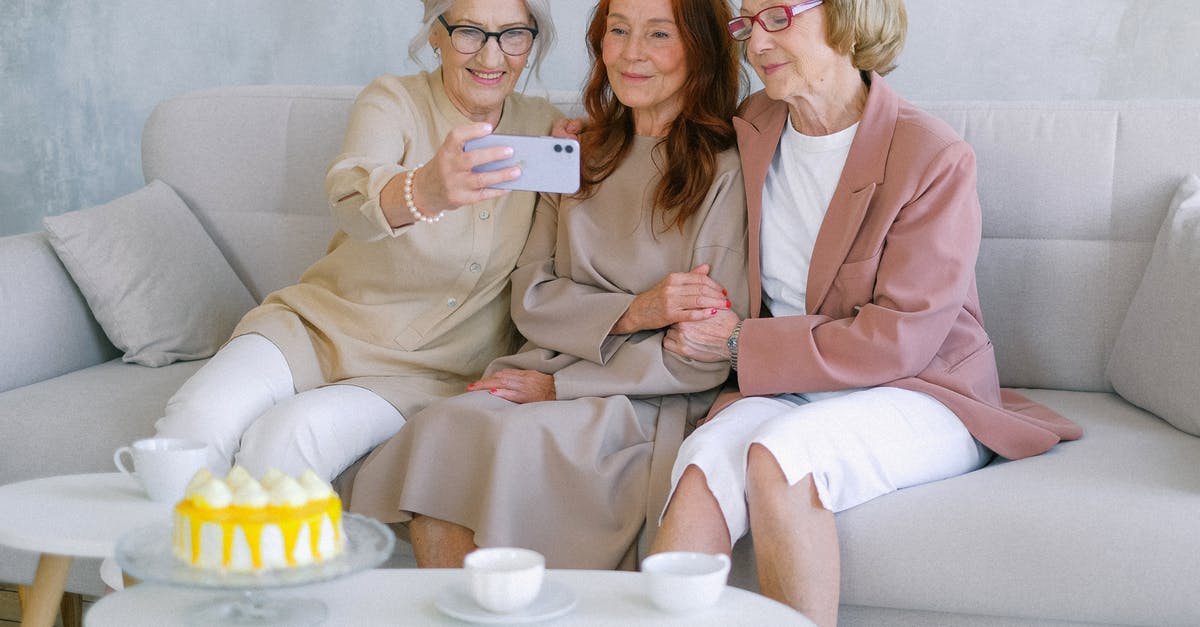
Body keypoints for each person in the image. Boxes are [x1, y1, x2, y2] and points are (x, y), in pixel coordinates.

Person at [649, 1, 1084, 624]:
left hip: (921, 386)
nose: (755, 43)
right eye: (747, 23)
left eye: (778, 16)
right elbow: (662, 140)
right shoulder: (757, 121)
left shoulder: (931, 155)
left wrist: (742, 343)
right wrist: (584, 136)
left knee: (780, 454)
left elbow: (900, 338)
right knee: (701, 463)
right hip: (799, 385)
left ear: (847, 16)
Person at [347, 0, 749, 570]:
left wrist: (561, 389)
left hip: (643, 400)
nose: (631, 53)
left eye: (659, 34)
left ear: (701, 51)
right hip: (546, 367)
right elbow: (531, 297)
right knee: (442, 428)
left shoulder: (725, 172)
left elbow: (698, 353)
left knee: (515, 441)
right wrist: (635, 311)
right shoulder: (578, 155)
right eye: (617, 31)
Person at [153, 0, 562, 482]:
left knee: (284, 444)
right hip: (315, 330)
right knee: (192, 427)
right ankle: (153, 557)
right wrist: (425, 191)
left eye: (514, 34)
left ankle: (236, 556)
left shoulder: (546, 128)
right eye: (469, 32)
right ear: (435, 34)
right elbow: (348, 194)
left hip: (425, 373)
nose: (492, 58)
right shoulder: (392, 100)